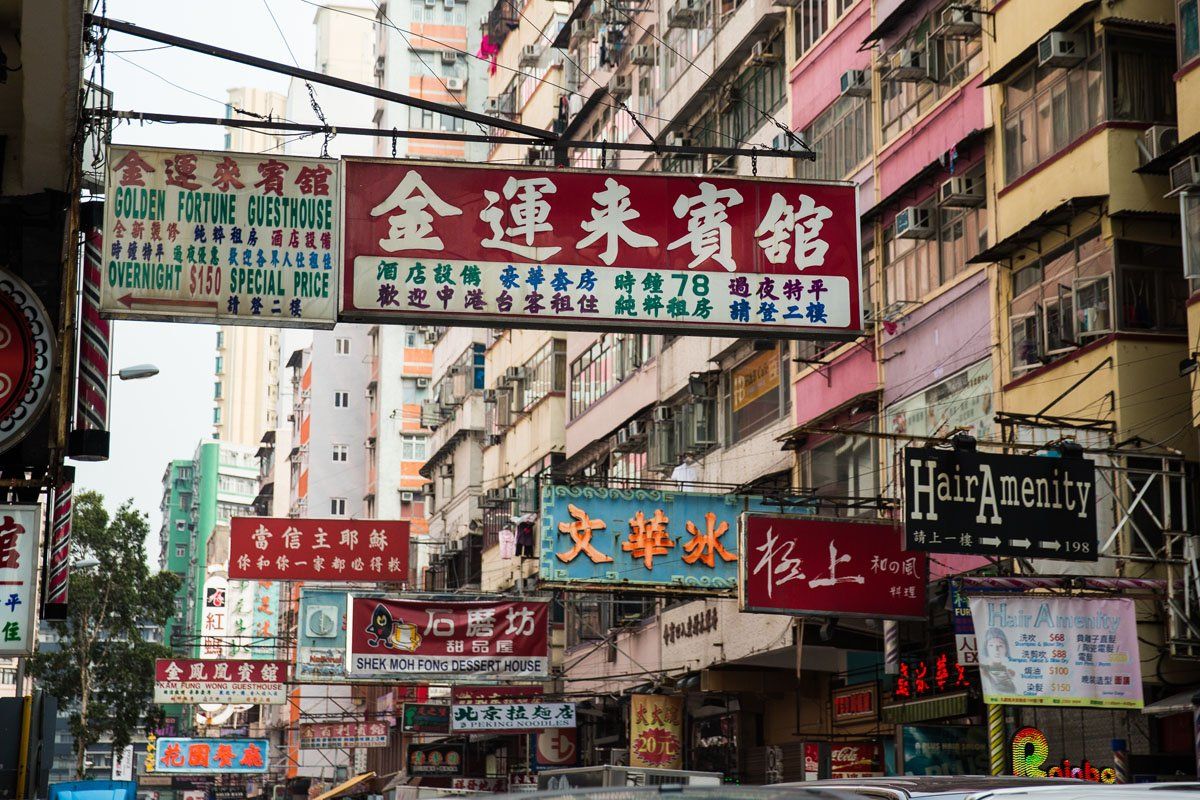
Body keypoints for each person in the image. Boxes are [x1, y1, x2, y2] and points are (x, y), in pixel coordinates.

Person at [980, 626, 1019, 695]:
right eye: (991, 645)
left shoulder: (1010, 672)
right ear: (986, 648)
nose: (996, 650)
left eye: (1000, 645)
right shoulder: (984, 670)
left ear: (1006, 648)